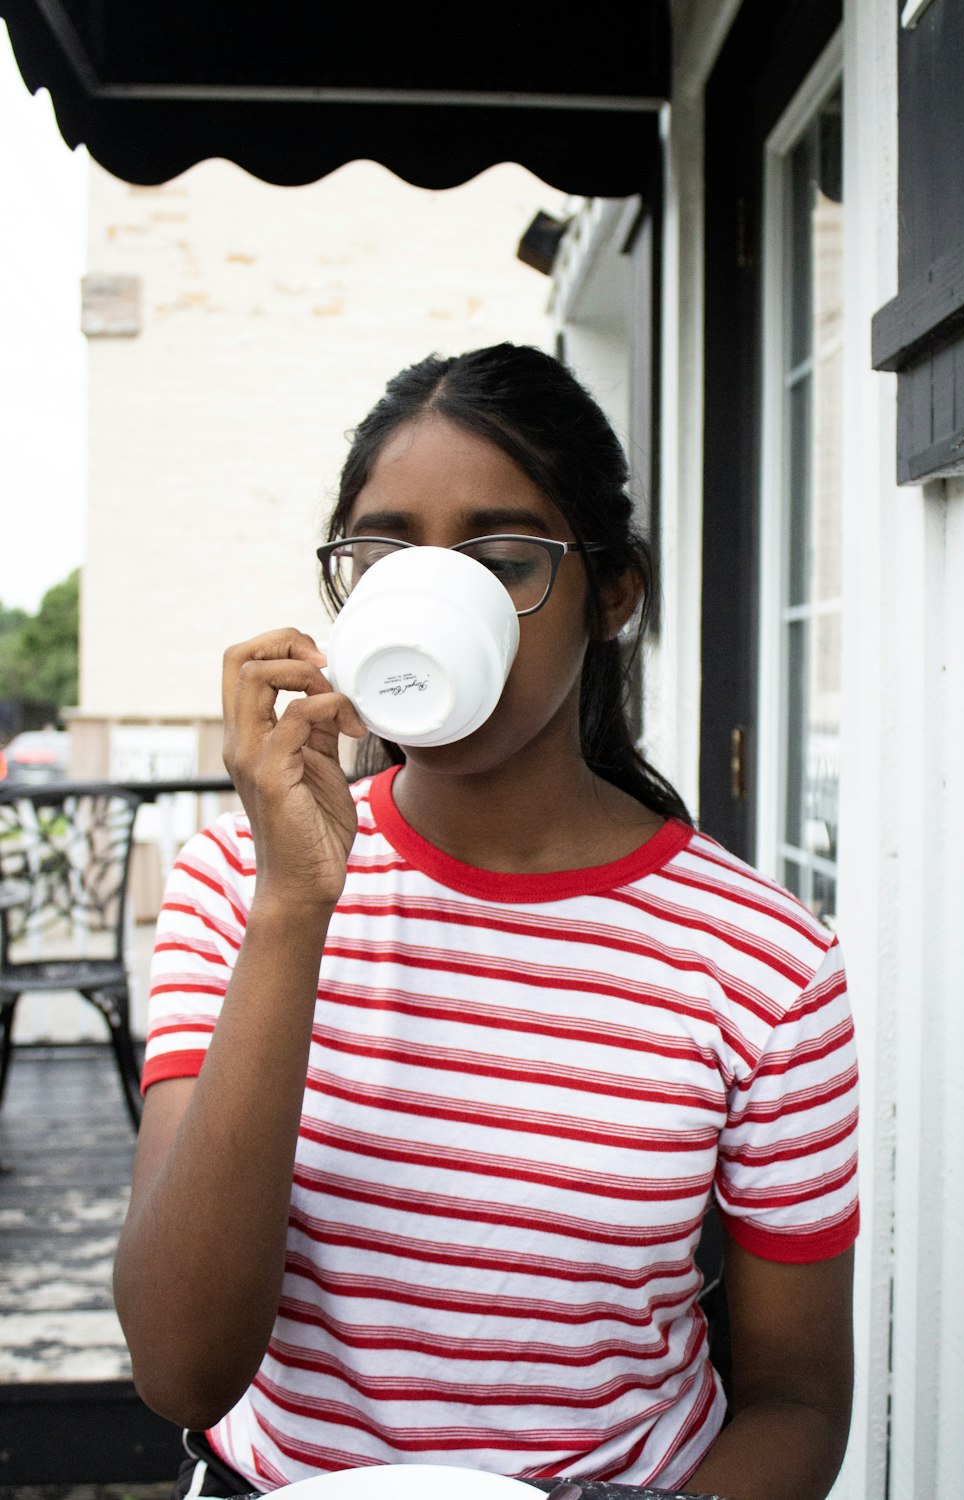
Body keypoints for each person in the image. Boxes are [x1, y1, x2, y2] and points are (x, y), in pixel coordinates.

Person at [114, 344, 859, 1500]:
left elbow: (798, 1398)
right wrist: (295, 909)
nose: (433, 594)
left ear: (614, 594)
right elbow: (179, 1370)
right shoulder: (237, 888)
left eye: (502, 559)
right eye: (385, 553)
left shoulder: (766, 961)